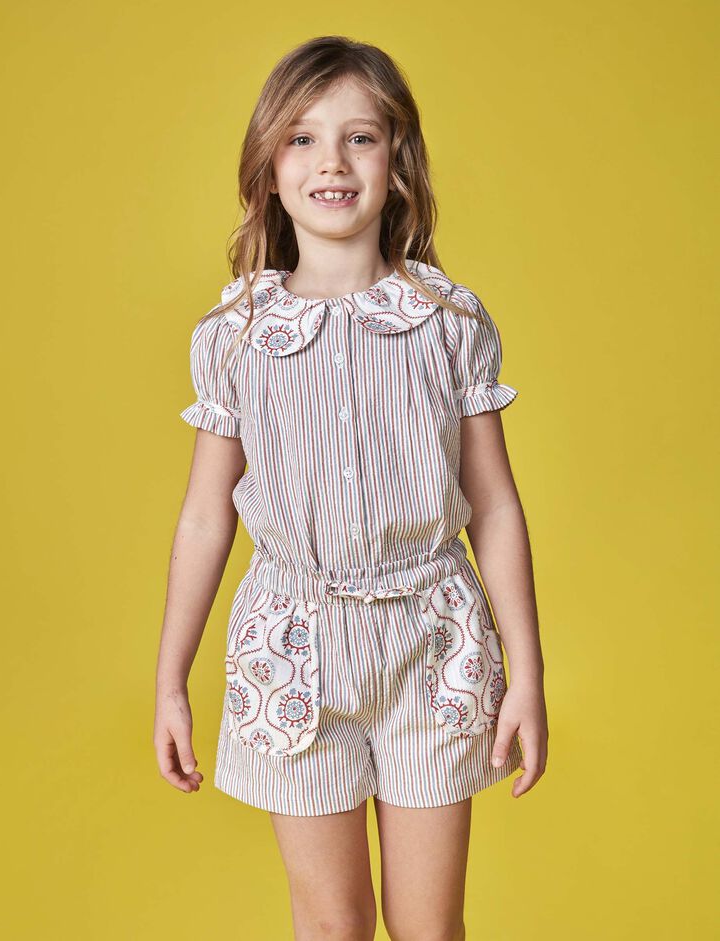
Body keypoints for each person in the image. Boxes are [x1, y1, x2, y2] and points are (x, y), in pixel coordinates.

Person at [154, 35, 548, 941]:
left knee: (428, 927)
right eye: (302, 138)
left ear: (396, 161)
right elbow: (207, 517)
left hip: (433, 647)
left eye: (359, 138)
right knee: (334, 926)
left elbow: (494, 508)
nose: (330, 161)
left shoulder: (447, 322)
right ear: (269, 166)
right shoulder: (237, 334)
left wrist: (527, 671)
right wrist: (171, 678)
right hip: (292, 648)